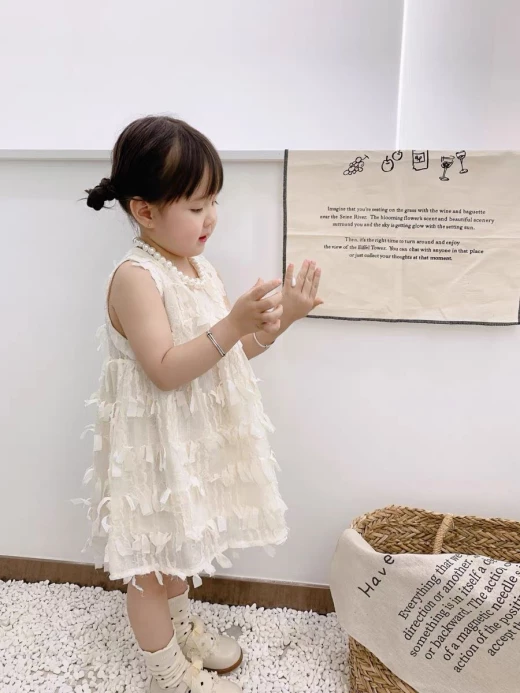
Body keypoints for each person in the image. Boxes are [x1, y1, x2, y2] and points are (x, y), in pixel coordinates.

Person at [81, 115, 322, 693]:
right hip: (152, 443)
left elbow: (227, 355)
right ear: (144, 211)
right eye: (195, 206)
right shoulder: (137, 277)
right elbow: (165, 369)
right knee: (149, 565)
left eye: (214, 201)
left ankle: (183, 630)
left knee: (178, 547)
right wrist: (232, 323)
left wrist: (283, 318)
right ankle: (168, 674)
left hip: (187, 437)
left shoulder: (196, 265)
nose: (210, 217)